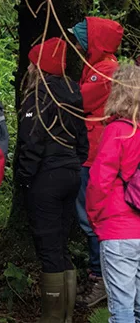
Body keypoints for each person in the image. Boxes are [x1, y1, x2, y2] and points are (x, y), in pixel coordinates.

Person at [15, 38, 88, 322]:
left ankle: (52, 318)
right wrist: (73, 163)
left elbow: (30, 142)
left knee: (48, 247)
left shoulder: (38, 96)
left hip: (47, 177)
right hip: (70, 173)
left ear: (39, 66)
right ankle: (66, 317)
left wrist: (24, 178)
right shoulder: (73, 92)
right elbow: (82, 141)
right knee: (60, 244)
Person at [69, 17, 123, 306]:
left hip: (94, 156)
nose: (75, 46)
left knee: (91, 218)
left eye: (80, 40)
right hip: (91, 152)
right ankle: (101, 276)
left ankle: (100, 278)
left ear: (94, 43)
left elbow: (76, 102)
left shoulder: (104, 72)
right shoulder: (97, 68)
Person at [86, 64, 140, 323]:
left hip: (118, 228)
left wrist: (94, 219)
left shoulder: (117, 130)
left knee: (122, 309)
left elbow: (99, 182)